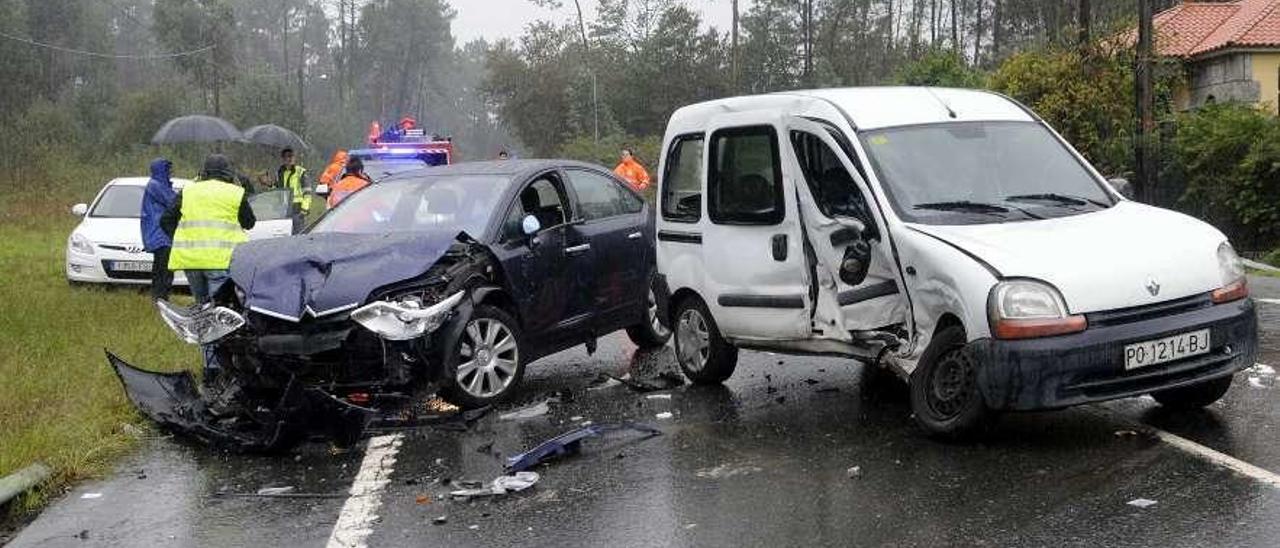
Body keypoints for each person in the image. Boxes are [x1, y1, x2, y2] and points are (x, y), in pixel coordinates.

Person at [162, 154, 256, 382]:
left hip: (192, 263)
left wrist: (182, 238)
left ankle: (209, 368)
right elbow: (249, 222)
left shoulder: (189, 191)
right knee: (221, 315)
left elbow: (166, 220)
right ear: (227, 173)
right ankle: (224, 368)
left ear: (203, 172)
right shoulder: (234, 193)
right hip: (221, 263)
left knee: (203, 311)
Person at [140, 158, 177, 301]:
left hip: (159, 233)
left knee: (160, 268)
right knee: (164, 269)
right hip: (160, 234)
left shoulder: (159, 185)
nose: (170, 172)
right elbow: (172, 201)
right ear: (162, 170)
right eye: (168, 169)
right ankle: (161, 297)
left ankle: (158, 297)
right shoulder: (156, 185)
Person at [277, 147, 311, 233]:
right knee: (284, 235)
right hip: (284, 209)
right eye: (288, 156)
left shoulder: (300, 171)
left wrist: (304, 209)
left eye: (292, 156)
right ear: (283, 159)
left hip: (297, 210)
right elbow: (278, 190)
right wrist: (269, 184)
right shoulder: (280, 172)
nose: (290, 158)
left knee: (298, 236)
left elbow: (307, 192)